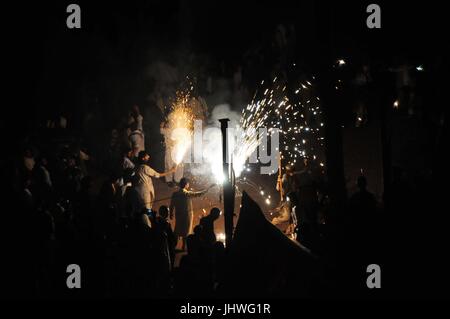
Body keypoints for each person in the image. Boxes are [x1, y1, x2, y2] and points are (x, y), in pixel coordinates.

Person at [169, 178, 215, 251]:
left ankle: (172, 246)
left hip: (179, 215)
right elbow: (198, 194)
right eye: (188, 183)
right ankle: (183, 247)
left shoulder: (175, 194)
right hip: (187, 215)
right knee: (186, 231)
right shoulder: (187, 193)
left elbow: (171, 205)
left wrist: (171, 213)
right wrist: (208, 189)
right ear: (186, 184)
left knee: (178, 230)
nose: (188, 185)